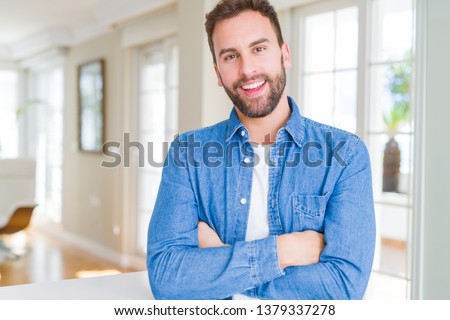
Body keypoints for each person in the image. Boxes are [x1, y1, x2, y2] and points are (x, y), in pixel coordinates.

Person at [147, 0, 375, 300]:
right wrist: (286, 251)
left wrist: (219, 266)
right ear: (218, 73)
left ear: (285, 54)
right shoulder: (187, 154)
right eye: (231, 56)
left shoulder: (346, 155)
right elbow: (166, 278)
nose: (247, 69)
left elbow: (343, 289)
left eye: (259, 48)